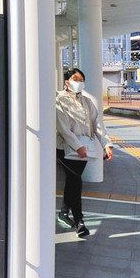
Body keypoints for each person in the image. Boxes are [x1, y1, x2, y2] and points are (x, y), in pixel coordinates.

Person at [56, 68, 114, 237]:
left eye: (82, 79)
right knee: (76, 182)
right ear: (67, 81)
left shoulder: (87, 101)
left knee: (73, 182)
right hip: (66, 149)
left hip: (84, 148)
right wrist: (77, 146)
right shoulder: (59, 101)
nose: (79, 82)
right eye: (76, 79)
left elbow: (97, 124)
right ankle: (80, 221)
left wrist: (106, 144)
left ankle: (64, 212)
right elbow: (63, 129)